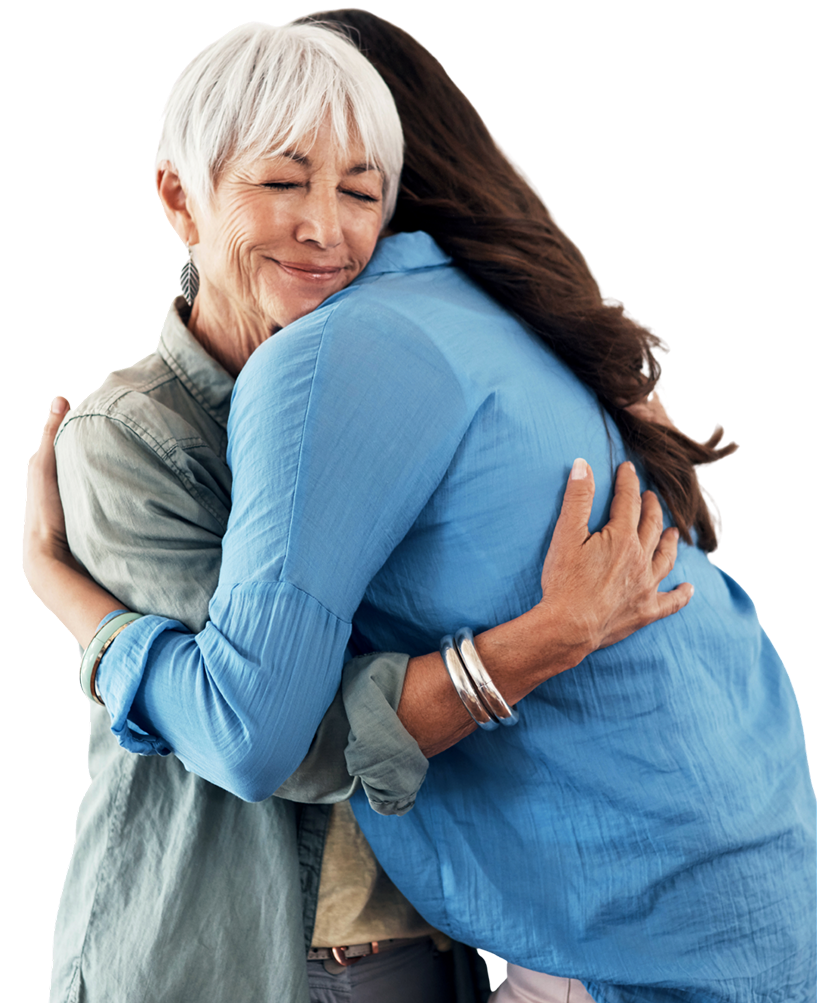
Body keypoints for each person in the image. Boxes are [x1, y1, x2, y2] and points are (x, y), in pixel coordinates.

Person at [23, 12, 814, 1003]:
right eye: (280, 175)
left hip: (416, 951)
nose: (324, 224)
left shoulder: (401, 363)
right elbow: (275, 736)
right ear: (185, 191)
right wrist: (539, 639)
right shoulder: (132, 435)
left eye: (359, 185)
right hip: (222, 956)